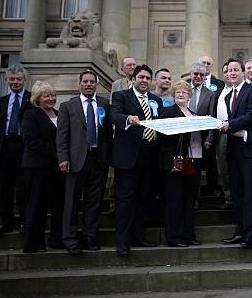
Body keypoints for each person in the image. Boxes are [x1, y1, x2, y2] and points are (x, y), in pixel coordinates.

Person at [57, 70, 113, 255]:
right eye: (85, 81)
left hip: (98, 159)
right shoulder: (68, 106)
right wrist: (63, 158)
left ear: (96, 84)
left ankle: (90, 236)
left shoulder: (105, 104)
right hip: (75, 160)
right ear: (79, 84)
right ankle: (71, 239)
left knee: (94, 201)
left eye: (92, 82)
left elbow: (107, 134)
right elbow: (62, 135)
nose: (89, 84)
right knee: (71, 201)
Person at [111, 64, 164, 255]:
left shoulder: (156, 100)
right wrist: (127, 119)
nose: (144, 81)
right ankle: (122, 241)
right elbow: (114, 116)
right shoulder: (121, 96)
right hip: (128, 157)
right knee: (125, 200)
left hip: (149, 155)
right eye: (141, 77)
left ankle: (138, 236)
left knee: (144, 198)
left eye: (147, 78)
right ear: (133, 78)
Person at [218, 58, 252, 247]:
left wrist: (230, 125)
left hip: (250, 152)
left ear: (243, 72)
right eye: (229, 70)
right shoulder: (228, 96)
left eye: (236, 69)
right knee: (236, 194)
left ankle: (250, 233)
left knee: (248, 193)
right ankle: (240, 230)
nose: (232, 73)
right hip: (233, 151)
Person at [158, 80, 203, 247]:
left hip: (193, 160)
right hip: (174, 161)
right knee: (174, 199)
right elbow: (162, 135)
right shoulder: (167, 111)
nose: (181, 94)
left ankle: (188, 234)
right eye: (178, 92)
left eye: (184, 92)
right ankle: (175, 237)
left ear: (189, 95)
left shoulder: (194, 114)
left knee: (189, 200)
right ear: (173, 95)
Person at [21, 81, 64, 253]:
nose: (51, 99)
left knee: (58, 205)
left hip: (58, 169)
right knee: (37, 206)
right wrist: (58, 153)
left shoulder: (59, 114)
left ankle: (56, 239)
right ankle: (33, 243)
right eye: (46, 96)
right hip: (37, 167)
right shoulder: (31, 115)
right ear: (37, 98)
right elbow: (31, 140)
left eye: (53, 95)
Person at [0, 64, 32, 236]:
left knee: (23, 187)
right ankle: (5, 221)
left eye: (18, 79)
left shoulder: (32, 100)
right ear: (6, 80)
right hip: (5, 148)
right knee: (4, 187)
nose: (15, 82)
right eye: (12, 79)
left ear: (24, 80)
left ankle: (24, 221)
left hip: (24, 148)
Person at [189, 61, 217, 200]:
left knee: (197, 171)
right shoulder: (183, 89)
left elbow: (211, 116)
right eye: (196, 74)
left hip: (200, 138)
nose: (198, 77)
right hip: (182, 137)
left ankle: (195, 200)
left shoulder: (210, 94)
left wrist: (209, 138)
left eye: (202, 74)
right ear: (190, 74)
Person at [215, 62, 232, 209]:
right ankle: (229, 196)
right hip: (221, 134)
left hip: (237, 133)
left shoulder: (244, 91)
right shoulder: (218, 92)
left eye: (232, 70)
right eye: (226, 71)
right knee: (224, 168)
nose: (228, 74)